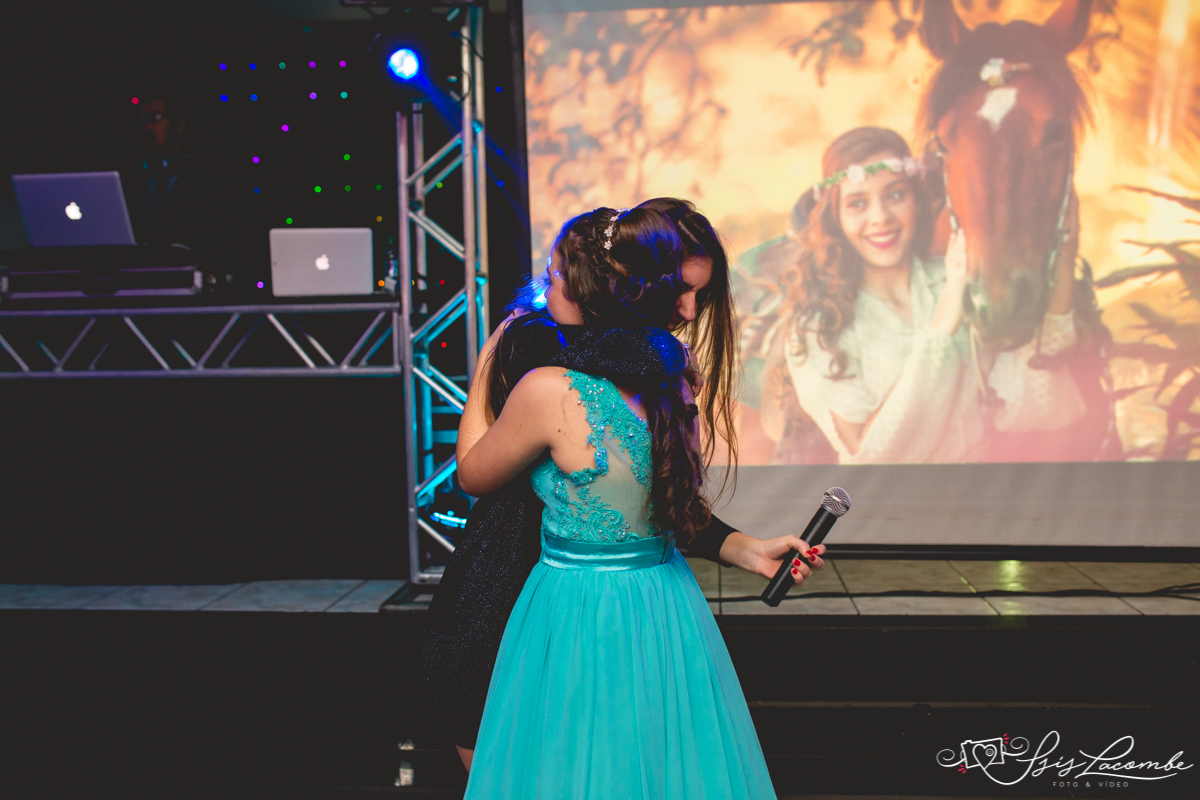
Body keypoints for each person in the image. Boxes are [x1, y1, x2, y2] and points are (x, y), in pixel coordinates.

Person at [421, 198, 824, 770]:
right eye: (680, 291)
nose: (689, 311)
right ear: (632, 284)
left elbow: (645, 501)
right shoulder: (655, 369)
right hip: (508, 598)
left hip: (569, 610)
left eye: (698, 294)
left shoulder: (586, 371)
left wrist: (491, 354)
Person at [741, 127, 1086, 464]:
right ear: (836, 217)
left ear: (916, 202)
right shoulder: (817, 326)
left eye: (895, 195)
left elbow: (1029, 407)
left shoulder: (957, 281)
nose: (880, 217)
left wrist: (1064, 260)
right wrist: (942, 326)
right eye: (857, 204)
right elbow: (869, 456)